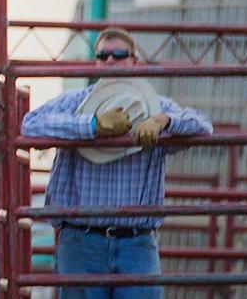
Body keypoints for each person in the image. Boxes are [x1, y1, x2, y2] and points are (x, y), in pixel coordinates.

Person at [21, 27, 214, 299]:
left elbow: (203, 126)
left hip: (134, 239)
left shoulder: (155, 108)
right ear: (97, 62)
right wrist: (91, 125)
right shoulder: (79, 102)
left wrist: (164, 121)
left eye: (119, 55)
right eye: (103, 55)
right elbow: (30, 124)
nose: (110, 61)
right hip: (83, 240)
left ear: (134, 61)